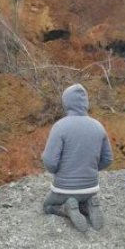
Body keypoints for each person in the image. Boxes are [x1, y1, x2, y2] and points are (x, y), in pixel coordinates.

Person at [41, 83, 113, 232]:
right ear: (86, 103)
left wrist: (58, 171)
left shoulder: (60, 126)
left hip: (64, 189)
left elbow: (49, 161)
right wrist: (91, 167)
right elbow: (108, 159)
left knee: (47, 206)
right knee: (83, 196)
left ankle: (67, 209)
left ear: (66, 102)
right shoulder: (98, 126)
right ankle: (88, 204)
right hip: (91, 188)